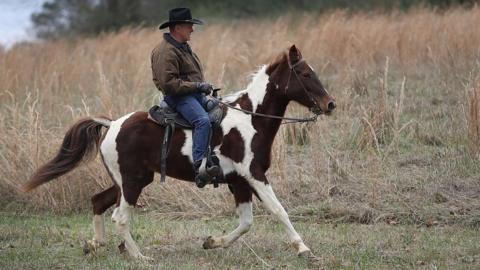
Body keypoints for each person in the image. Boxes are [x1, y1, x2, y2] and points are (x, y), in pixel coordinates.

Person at [151, 7, 217, 188]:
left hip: (192, 95)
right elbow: (168, 84)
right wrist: (197, 86)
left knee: (221, 109)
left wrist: (199, 88)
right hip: (178, 98)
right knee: (202, 121)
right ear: (178, 28)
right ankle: (199, 166)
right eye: (189, 26)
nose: (192, 30)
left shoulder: (182, 47)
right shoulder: (166, 51)